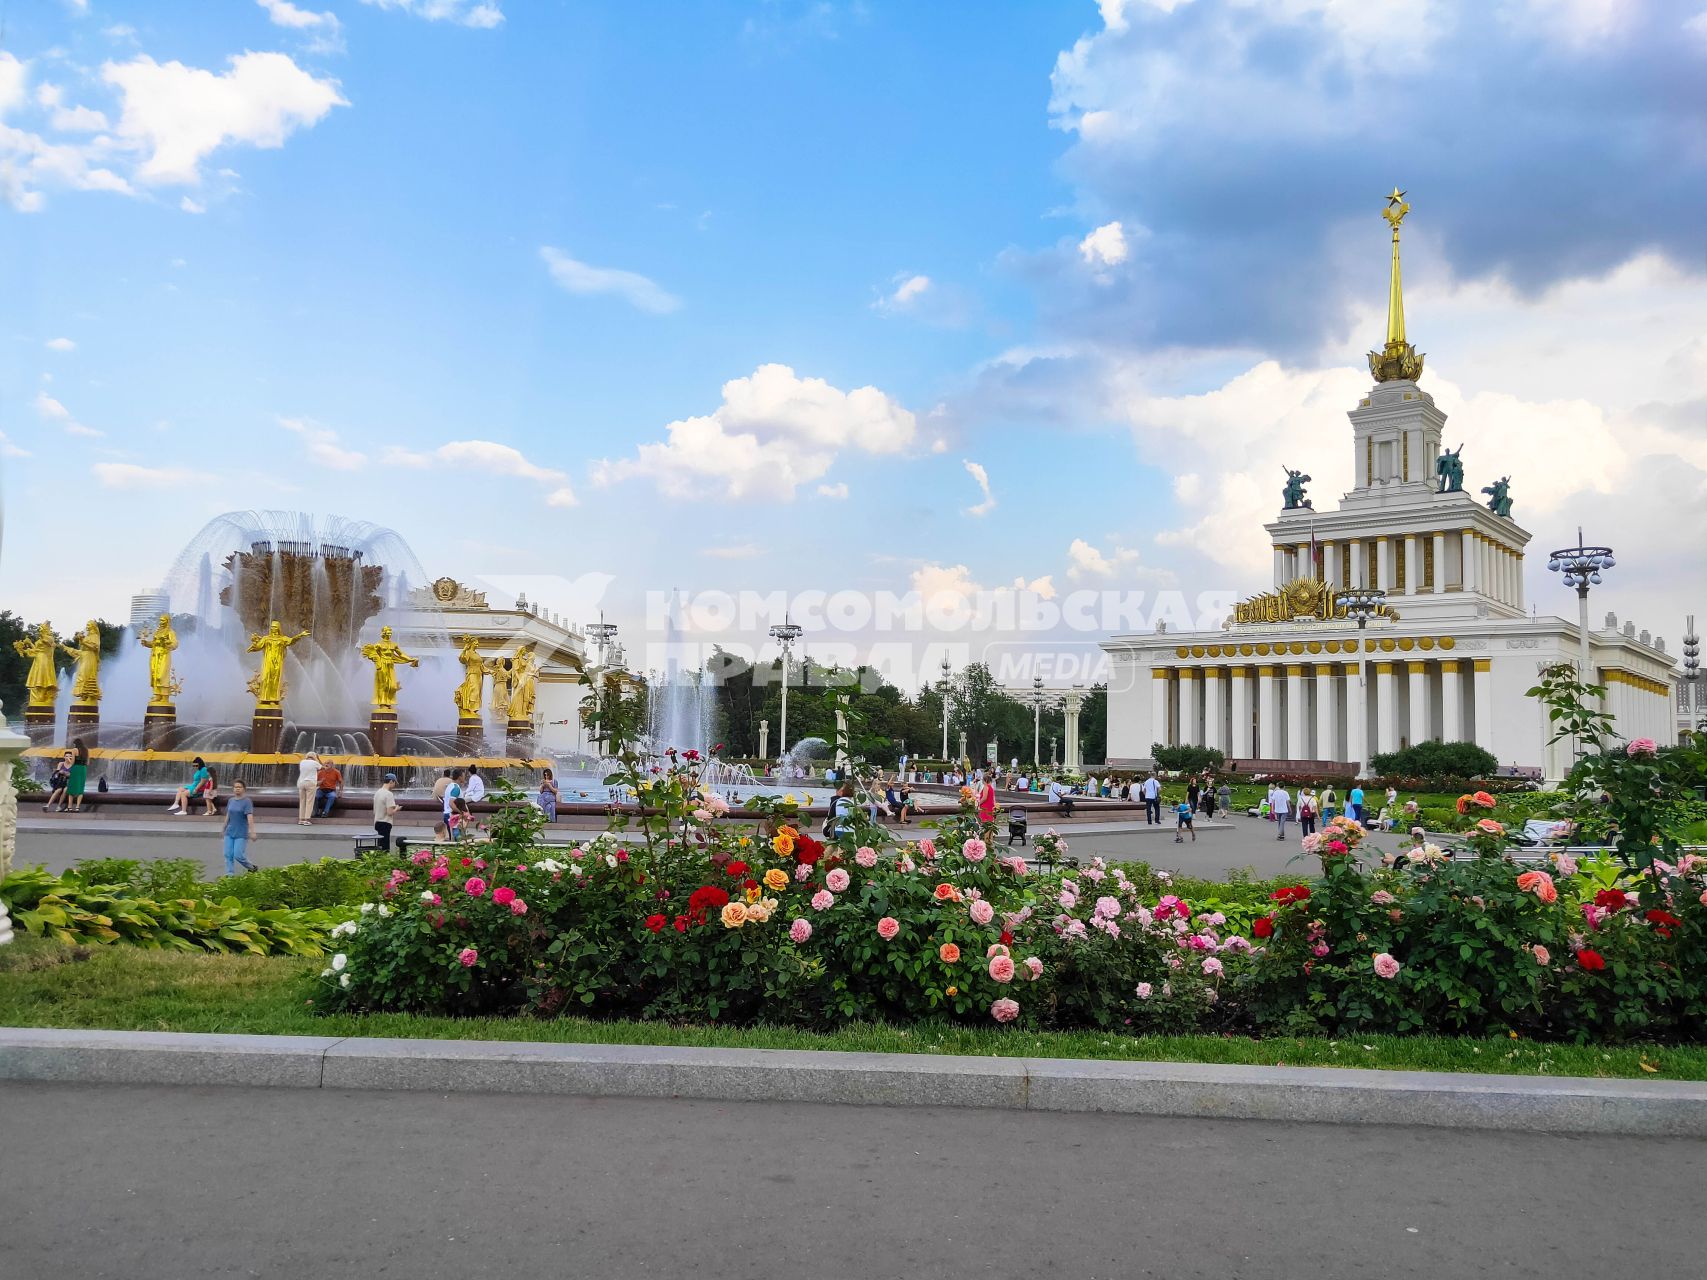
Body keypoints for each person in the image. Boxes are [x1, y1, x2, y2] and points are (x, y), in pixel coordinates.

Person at [221, 779, 259, 875]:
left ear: (244, 789)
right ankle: (230, 876)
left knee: (238, 855)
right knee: (228, 854)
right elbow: (228, 814)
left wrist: (252, 832)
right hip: (229, 832)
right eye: (235, 787)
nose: (237, 789)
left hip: (241, 833)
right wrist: (224, 827)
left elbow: (249, 817)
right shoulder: (231, 800)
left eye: (239, 787)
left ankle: (252, 867)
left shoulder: (247, 802)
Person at [373, 773, 401, 853]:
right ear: (391, 781)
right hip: (385, 822)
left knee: (380, 845)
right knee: (385, 847)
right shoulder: (389, 794)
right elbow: (389, 812)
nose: (395, 785)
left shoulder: (377, 792)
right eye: (395, 782)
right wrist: (396, 809)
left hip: (377, 821)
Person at [65, 738, 90, 813]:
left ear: (75, 744)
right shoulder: (86, 750)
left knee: (71, 787)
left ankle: (69, 807)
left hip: (75, 768)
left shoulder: (74, 750)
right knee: (80, 788)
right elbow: (88, 763)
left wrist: (68, 762)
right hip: (83, 769)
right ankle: (77, 807)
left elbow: (72, 762)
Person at [296, 751, 320, 826]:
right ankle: (307, 819)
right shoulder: (315, 763)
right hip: (310, 782)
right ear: (314, 757)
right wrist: (318, 759)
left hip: (301, 783)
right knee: (309, 801)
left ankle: (301, 819)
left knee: (302, 801)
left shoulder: (302, 762)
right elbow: (323, 768)